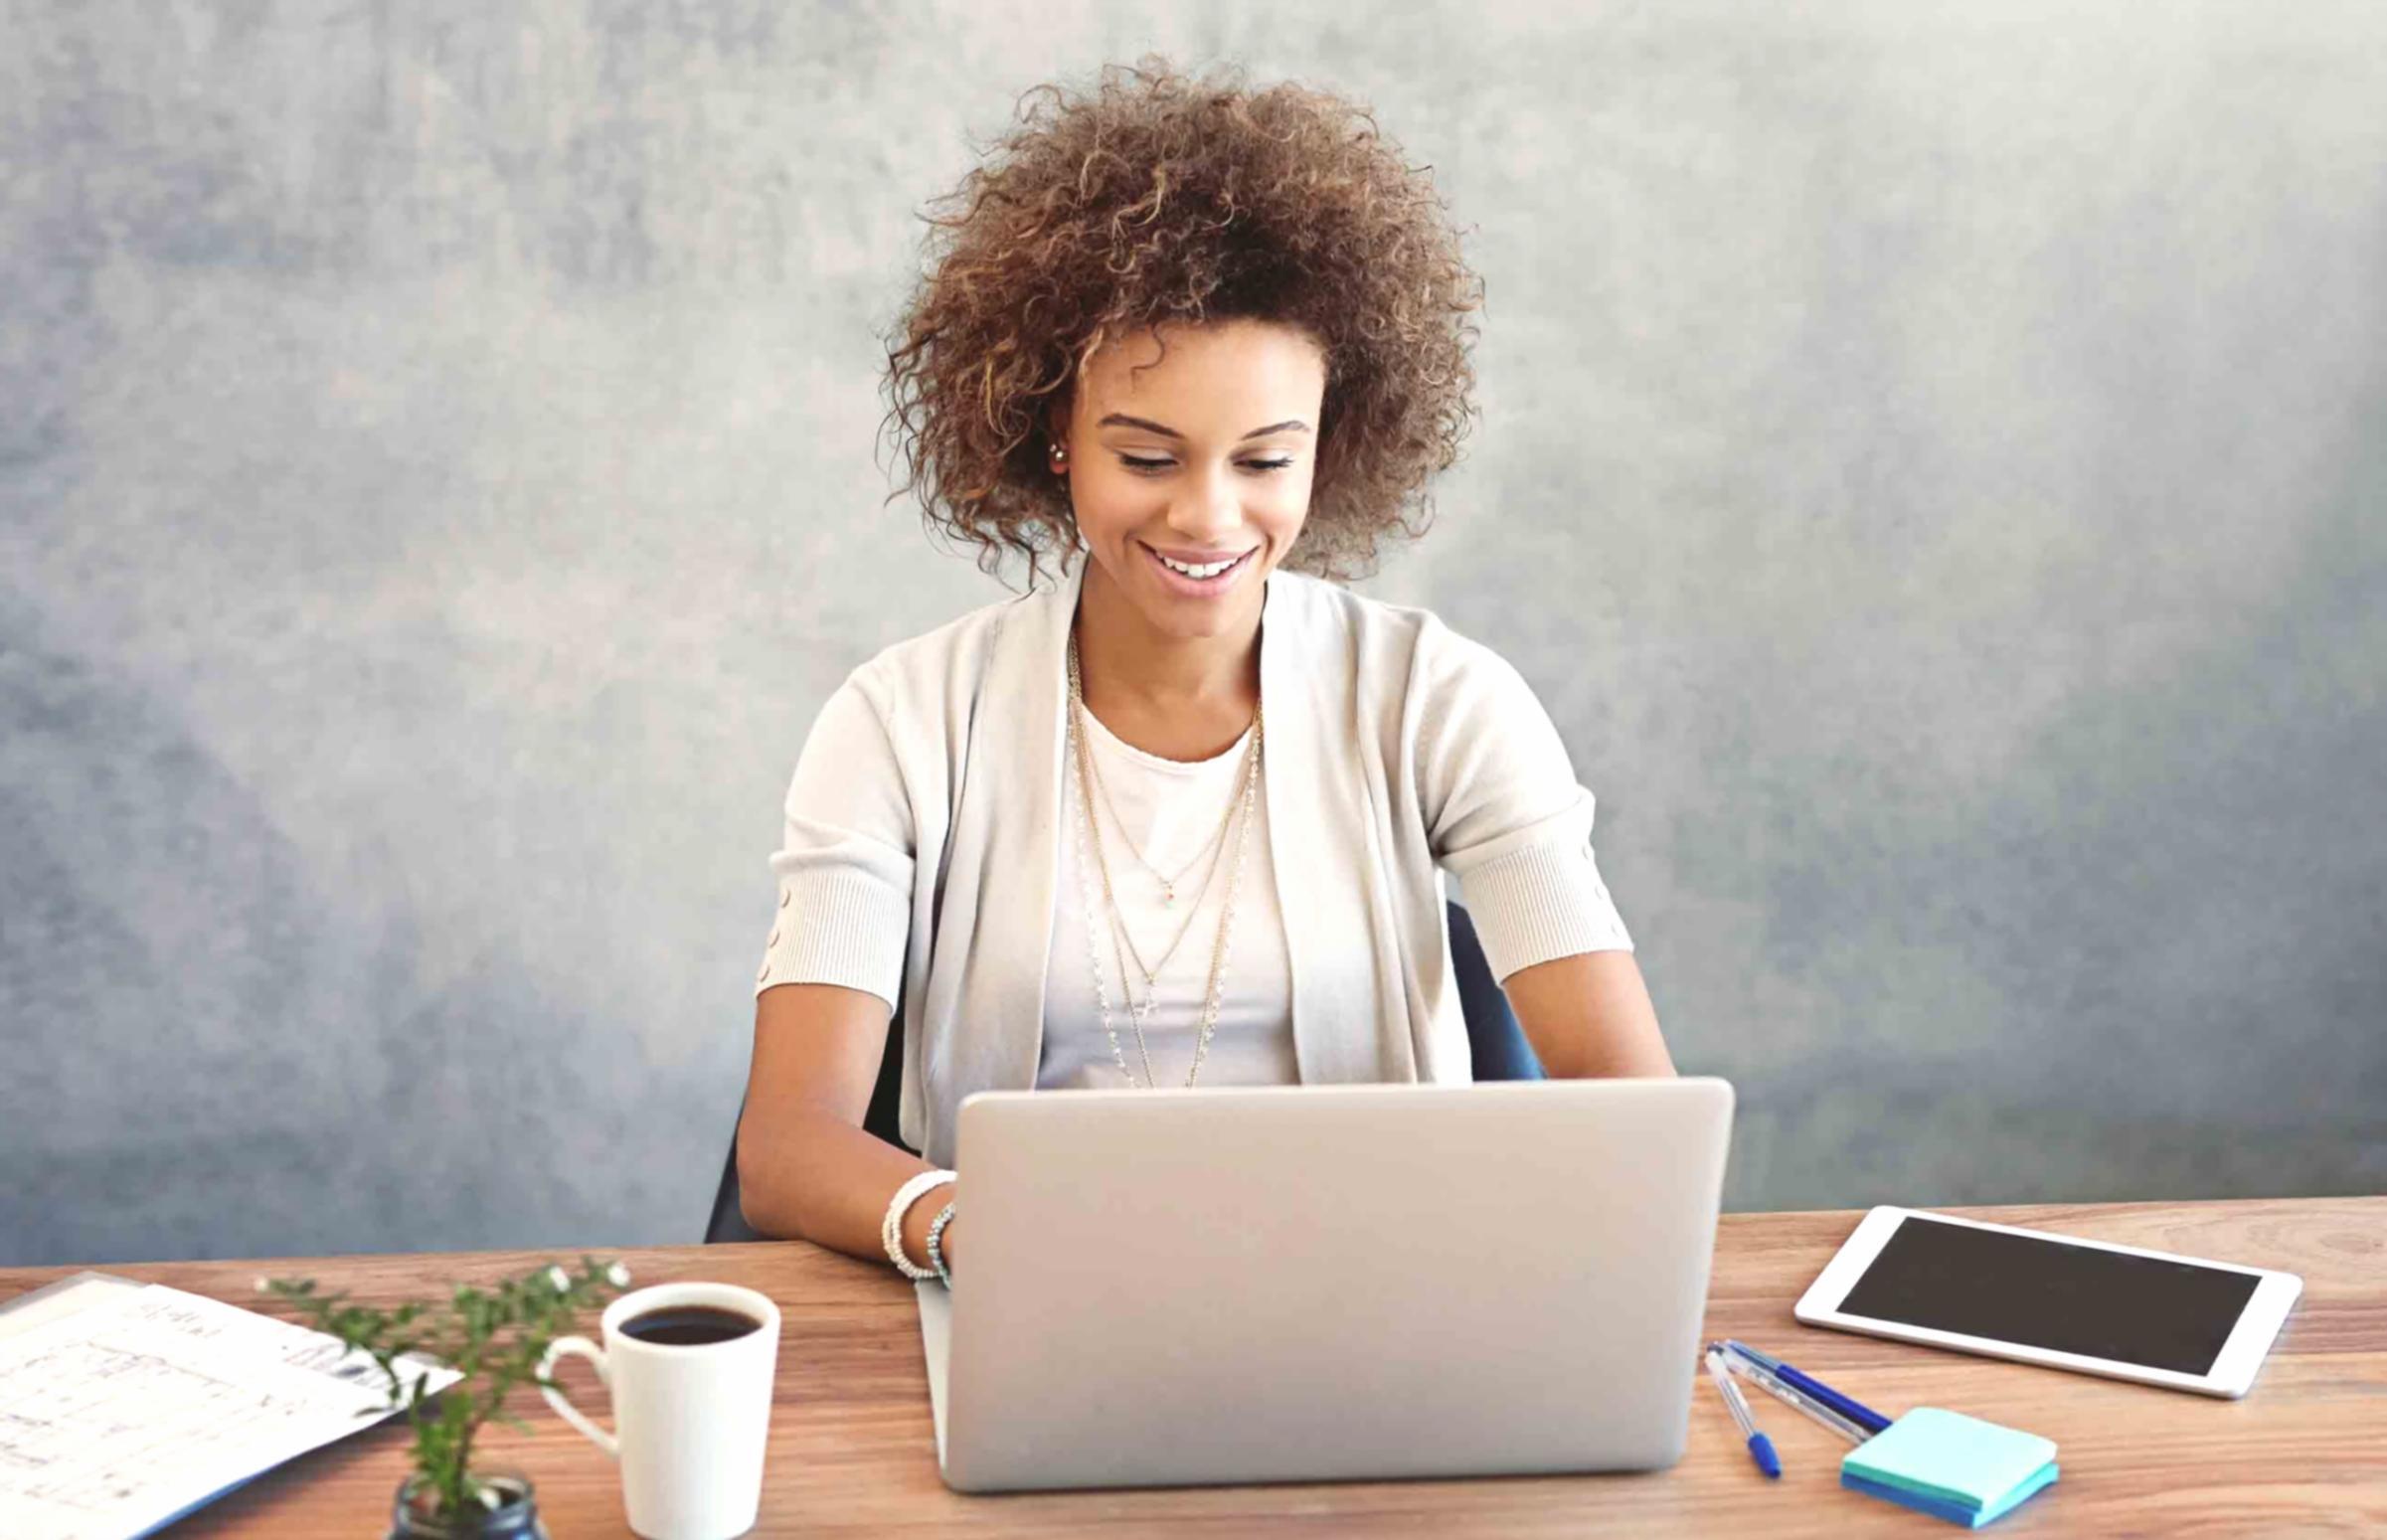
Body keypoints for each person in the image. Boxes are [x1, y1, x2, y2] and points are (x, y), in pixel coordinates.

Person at [737, 56, 1675, 1285]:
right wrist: (977, 1232)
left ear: (1328, 452)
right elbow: (787, 1147)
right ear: (1051, 440)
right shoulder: (900, 722)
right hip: (1021, 1293)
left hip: (1374, 1300)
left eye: (1263, 461)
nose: (1206, 515)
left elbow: (1632, 1107)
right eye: (1147, 455)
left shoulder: (1440, 702)